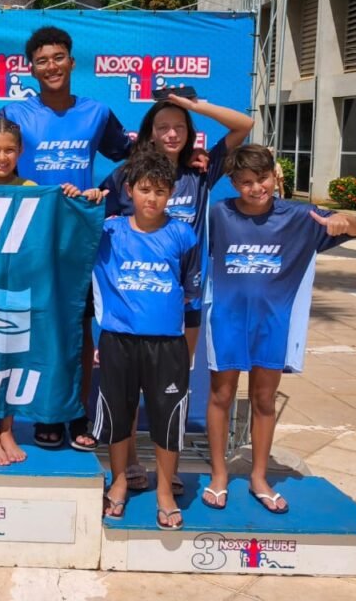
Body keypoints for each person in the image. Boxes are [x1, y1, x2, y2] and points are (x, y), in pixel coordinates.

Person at [0, 26, 134, 451]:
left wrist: (185, 158)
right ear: (31, 67)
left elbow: (134, 159)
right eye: (42, 60)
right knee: (21, 328)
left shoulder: (98, 112)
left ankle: (72, 410)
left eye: (58, 57)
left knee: (76, 330)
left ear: (71, 61)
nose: (51, 66)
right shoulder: (13, 113)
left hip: (72, 241)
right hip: (20, 243)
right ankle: (42, 414)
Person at [99, 94, 253, 493]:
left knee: (174, 388)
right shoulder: (125, 175)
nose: (171, 134)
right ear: (149, 132)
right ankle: (130, 462)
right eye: (163, 127)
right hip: (134, 306)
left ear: (191, 134)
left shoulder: (201, 171)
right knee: (128, 390)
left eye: (179, 127)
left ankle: (169, 469)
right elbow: (96, 217)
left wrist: (193, 104)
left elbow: (243, 125)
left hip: (185, 302)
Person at [204, 144, 356, 512]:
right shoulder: (219, 215)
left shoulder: (300, 216)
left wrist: (344, 218)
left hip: (273, 324)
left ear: (274, 176)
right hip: (226, 321)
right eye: (245, 182)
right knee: (220, 396)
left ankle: (259, 477)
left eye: (261, 179)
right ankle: (218, 475)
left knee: (263, 399)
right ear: (233, 183)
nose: (255, 188)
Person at [0, 116, 102, 465]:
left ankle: (7, 428)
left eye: (9, 150)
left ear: (21, 151)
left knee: (14, 360)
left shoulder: (33, 190)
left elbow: (61, 227)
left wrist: (77, 200)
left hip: (19, 292)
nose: (2, 157)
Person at [91, 148, 200, 530]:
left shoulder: (182, 234)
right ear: (129, 190)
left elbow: (189, 294)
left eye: (160, 191)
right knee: (119, 418)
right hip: (118, 341)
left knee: (167, 420)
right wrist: (88, 199)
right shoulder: (109, 230)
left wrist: (186, 349)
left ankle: (165, 491)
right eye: (144, 189)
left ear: (170, 194)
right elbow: (68, 222)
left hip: (166, 345)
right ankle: (119, 481)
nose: (151, 199)